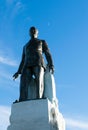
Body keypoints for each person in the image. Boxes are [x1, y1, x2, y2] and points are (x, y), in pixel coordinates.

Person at [13, 26, 54, 101]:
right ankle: (22, 99)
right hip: (27, 64)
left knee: (39, 81)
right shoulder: (25, 46)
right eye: (31, 30)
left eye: (34, 30)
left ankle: (39, 98)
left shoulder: (42, 42)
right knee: (23, 81)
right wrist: (18, 72)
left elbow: (47, 53)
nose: (33, 31)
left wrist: (51, 64)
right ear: (29, 33)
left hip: (38, 63)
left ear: (37, 32)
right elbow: (22, 60)